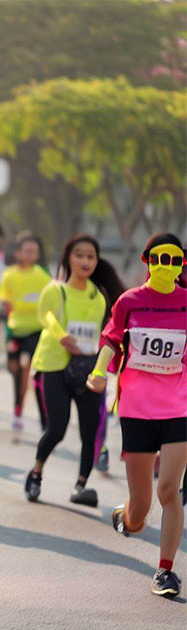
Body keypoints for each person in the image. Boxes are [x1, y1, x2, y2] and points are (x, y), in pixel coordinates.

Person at [89, 233, 187, 600]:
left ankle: (165, 571)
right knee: (141, 508)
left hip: (179, 407)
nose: (167, 267)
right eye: (160, 260)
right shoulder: (130, 302)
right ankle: (127, 517)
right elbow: (111, 341)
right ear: (147, 261)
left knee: (169, 490)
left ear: (182, 265)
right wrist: (99, 372)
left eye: (174, 261)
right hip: (136, 408)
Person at [24, 236, 122, 509]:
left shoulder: (98, 296)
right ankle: (36, 473)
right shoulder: (55, 290)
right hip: (54, 364)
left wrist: (102, 369)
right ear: (68, 258)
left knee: (90, 432)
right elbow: (46, 316)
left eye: (91, 256)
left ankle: (81, 485)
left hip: (87, 369)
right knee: (57, 428)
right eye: (79, 255)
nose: (85, 261)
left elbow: (104, 334)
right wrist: (61, 335)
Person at [0, 235, 50, 436]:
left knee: (28, 367)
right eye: (26, 250)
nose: (30, 254)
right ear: (18, 253)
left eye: (33, 251)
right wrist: (12, 305)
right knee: (15, 371)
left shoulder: (42, 275)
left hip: (36, 329)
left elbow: (51, 298)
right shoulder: (9, 275)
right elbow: (4, 300)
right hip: (14, 328)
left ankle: (42, 420)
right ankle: (17, 409)